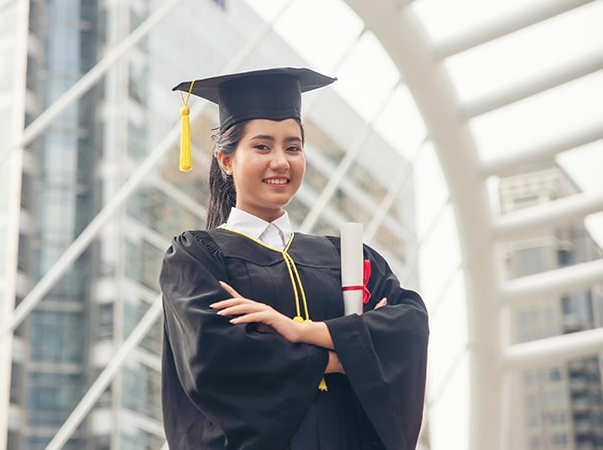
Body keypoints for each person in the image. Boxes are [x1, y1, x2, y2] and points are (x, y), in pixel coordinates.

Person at [160, 67, 429, 450]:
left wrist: (297, 331)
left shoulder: (345, 256)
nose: (281, 162)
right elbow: (218, 360)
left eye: (293, 147)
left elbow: (408, 328)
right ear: (226, 160)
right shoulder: (198, 257)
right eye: (262, 146)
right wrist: (347, 354)